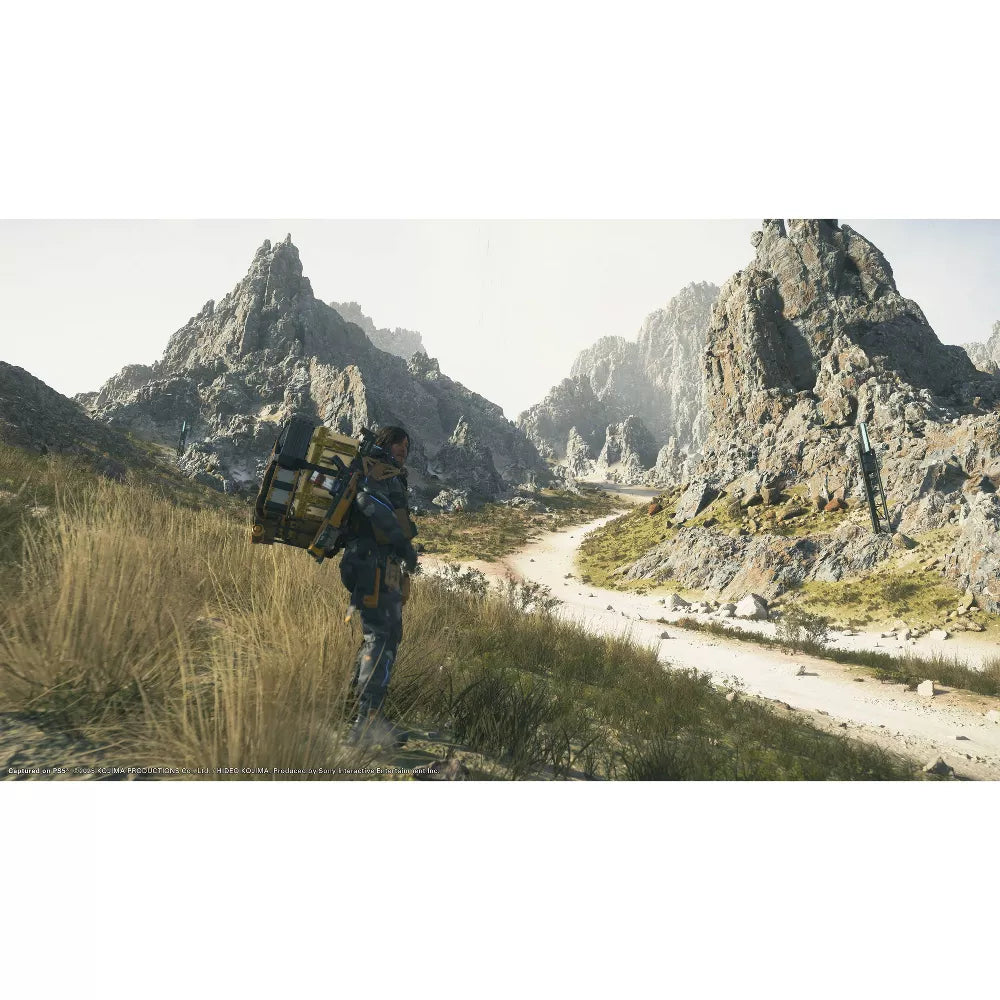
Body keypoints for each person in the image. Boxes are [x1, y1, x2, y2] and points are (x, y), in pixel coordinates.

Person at [339, 425, 419, 746]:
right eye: (399, 445)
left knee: (384, 637)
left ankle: (364, 713)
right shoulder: (376, 470)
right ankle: (365, 723)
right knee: (380, 638)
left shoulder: (386, 472)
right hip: (370, 562)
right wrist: (403, 544)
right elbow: (368, 501)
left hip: (379, 564)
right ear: (386, 443)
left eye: (407, 447)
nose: (403, 451)